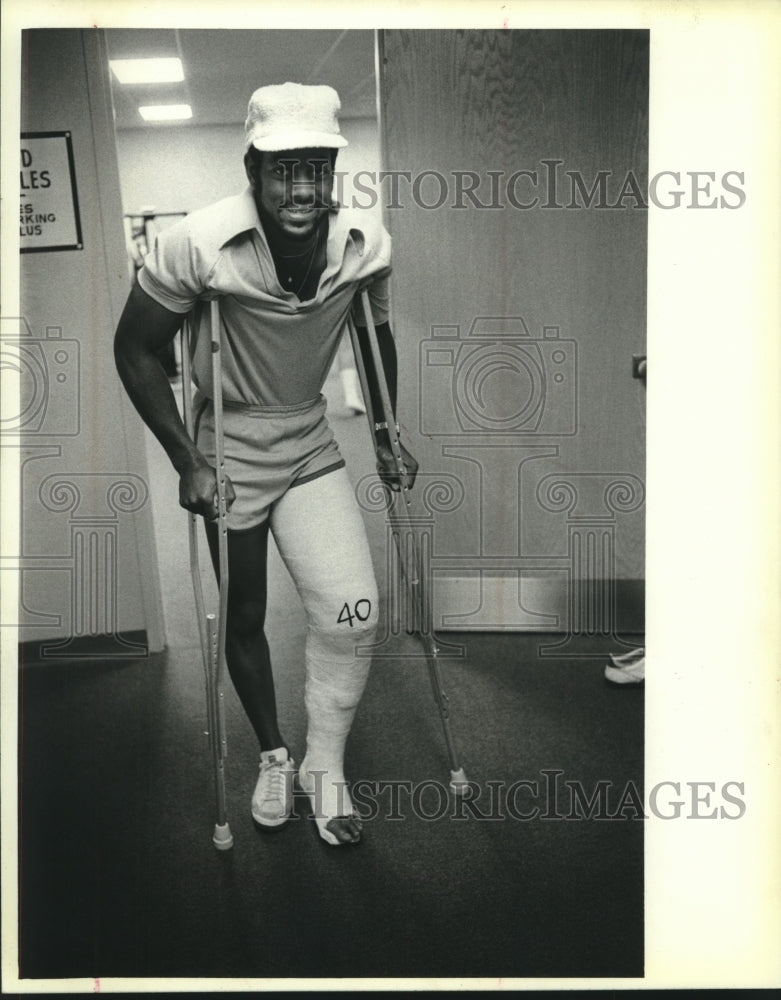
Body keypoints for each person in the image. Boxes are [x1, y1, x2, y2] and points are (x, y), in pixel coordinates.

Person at [114, 82, 417, 846]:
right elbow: (136, 349)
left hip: (310, 440)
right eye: (283, 169)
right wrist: (186, 459)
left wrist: (384, 430)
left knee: (353, 613)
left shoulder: (365, 242)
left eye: (316, 167)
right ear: (252, 167)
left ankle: (325, 761)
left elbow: (374, 339)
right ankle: (274, 755)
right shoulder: (196, 241)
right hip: (230, 445)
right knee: (243, 614)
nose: (302, 188)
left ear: (333, 171)